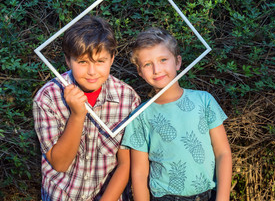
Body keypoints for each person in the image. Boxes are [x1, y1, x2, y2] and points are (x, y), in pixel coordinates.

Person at [33, 15, 140, 201]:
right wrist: (77, 115)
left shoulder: (128, 99)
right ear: (68, 60)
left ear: (112, 58)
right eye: (82, 62)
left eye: (100, 61)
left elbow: (126, 164)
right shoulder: (48, 97)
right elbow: (60, 163)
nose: (92, 72)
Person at [122, 27, 232, 201]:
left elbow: (223, 153)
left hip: (207, 195)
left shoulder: (204, 101)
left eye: (163, 60)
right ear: (140, 71)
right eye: (147, 64)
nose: (157, 69)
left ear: (178, 62)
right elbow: (139, 173)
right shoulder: (140, 115)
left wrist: (223, 198)